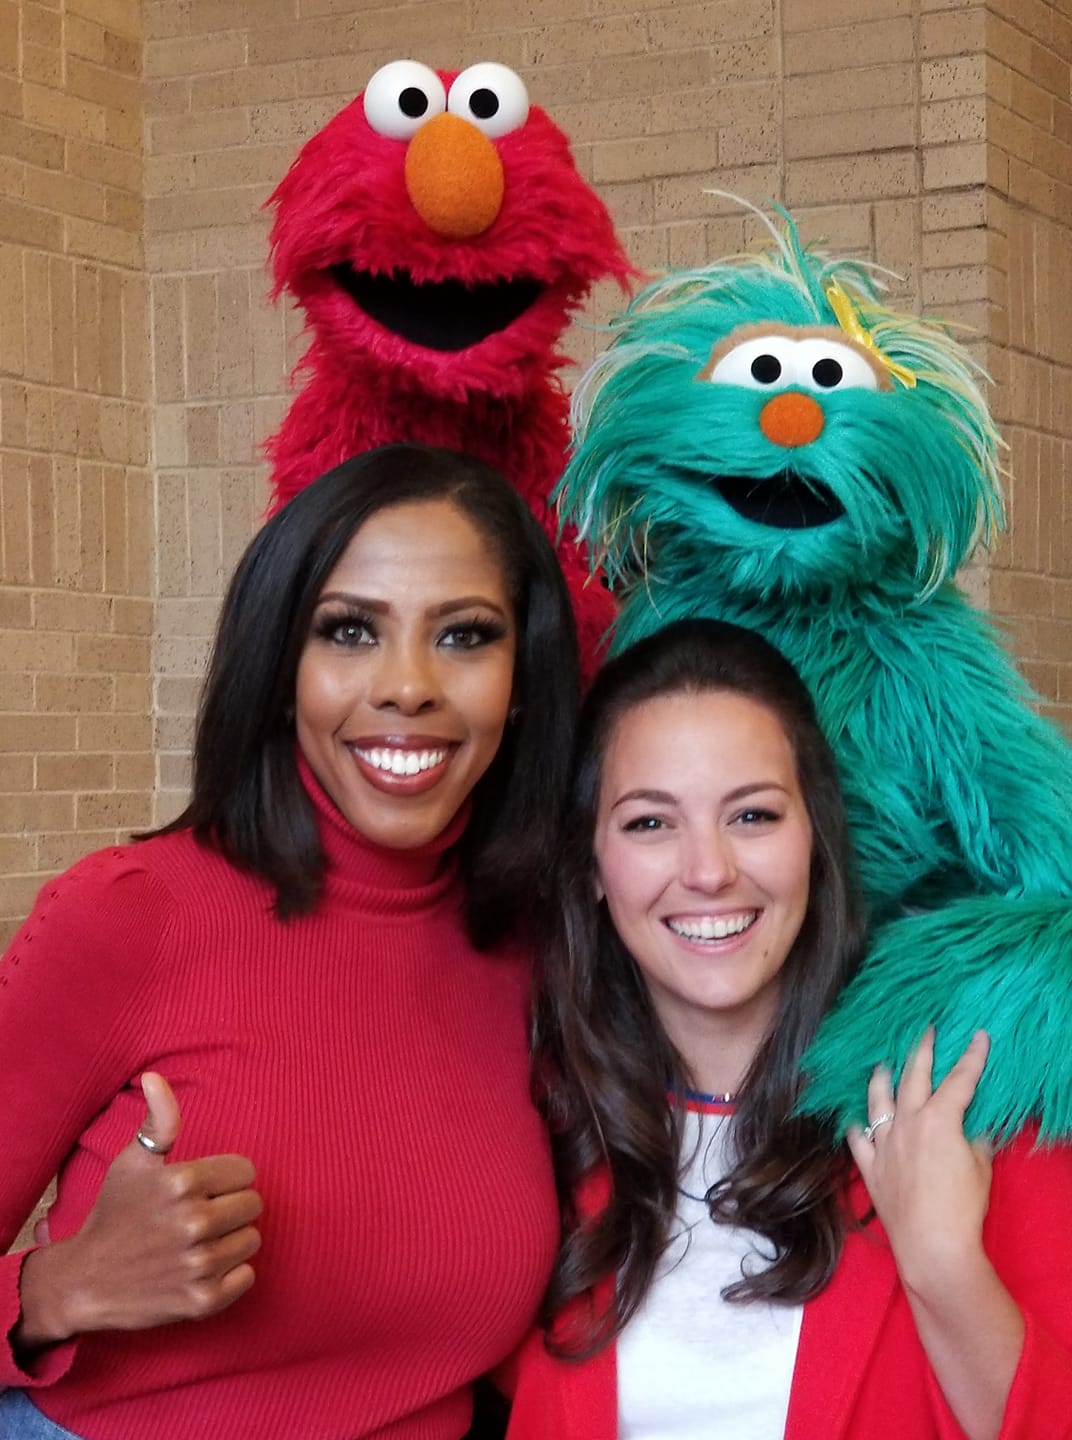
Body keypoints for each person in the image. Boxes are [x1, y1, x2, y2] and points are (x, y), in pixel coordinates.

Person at [0, 443, 580, 1440]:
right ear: (280, 670)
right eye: (349, 631)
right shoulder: (127, 915)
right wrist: (53, 1292)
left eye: (465, 636)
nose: (407, 687)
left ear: (521, 682)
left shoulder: (542, 950)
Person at [506, 617, 1072, 1440]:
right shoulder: (544, 1132)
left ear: (816, 839)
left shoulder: (958, 1100)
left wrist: (946, 1270)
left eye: (753, 816)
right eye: (650, 824)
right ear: (592, 867)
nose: (708, 872)